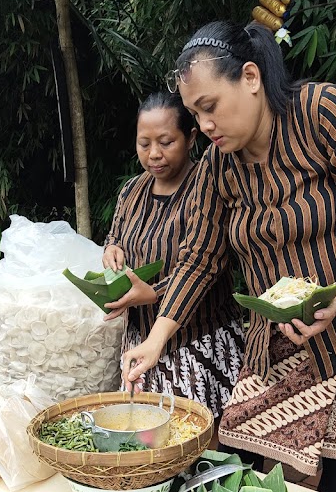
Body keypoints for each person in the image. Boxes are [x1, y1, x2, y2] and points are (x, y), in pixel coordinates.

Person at [119, 20, 336, 492]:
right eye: (195, 114)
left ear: (250, 77)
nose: (204, 126)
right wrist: (157, 338)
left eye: (210, 108)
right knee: (244, 428)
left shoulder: (322, 112)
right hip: (285, 321)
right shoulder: (219, 166)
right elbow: (201, 257)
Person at [102, 91, 244, 418]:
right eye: (144, 143)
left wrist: (153, 293)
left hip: (199, 341)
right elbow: (115, 236)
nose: (154, 154)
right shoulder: (132, 191)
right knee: (148, 438)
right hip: (141, 339)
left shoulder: (206, 186)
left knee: (201, 439)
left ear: (191, 137)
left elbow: (203, 262)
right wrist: (111, 249)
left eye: (166, 142)